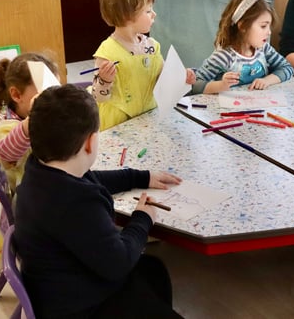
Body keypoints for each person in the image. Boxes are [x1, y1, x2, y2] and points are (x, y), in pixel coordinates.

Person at [14, 84, 184, 318]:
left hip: (60, 288)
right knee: (147, 272)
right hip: (82, 306)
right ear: (90, 142)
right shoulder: (75, 204)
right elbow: (119, 262)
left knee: (152, 270)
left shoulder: (41, 169)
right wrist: (143, 218)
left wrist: (141, 176)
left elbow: (94, 178)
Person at [0, 52, 60, 273]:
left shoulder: (50, 117)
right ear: (17, 95)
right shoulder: (6, 129)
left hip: (54, 193)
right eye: (45, 94)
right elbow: (8, 154)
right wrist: (33, 121)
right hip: (32, 208)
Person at [91, 0, 195, 130]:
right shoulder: (107, 52)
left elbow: (163, 80)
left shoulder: (152, 46)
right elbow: (98, 97)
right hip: (120, 122)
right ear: (128, 16)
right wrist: (104, 80)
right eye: (148, 11)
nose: (154, 14)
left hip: (148, 115)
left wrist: (181, 77)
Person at [193, 0, 294, 94]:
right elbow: (194, 85)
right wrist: (221, 85)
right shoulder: (223, 57)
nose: (269, 32)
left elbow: (287, 68)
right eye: (263, 26)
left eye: (269, 26)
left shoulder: (264, 49)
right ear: (243, 26)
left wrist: (267, 81)